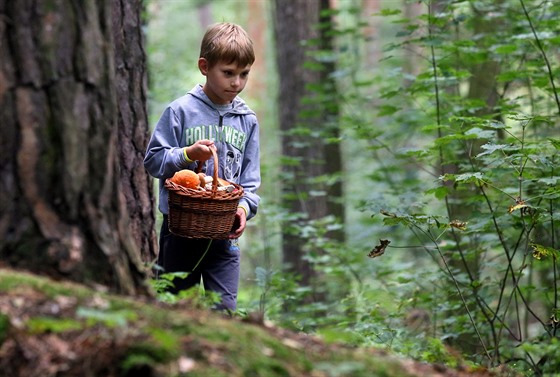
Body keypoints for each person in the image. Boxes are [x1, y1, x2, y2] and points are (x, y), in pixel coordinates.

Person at [144, 22, 261, 312]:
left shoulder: (247, 120)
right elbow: (153, 160)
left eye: (243, 74)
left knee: (223, 309)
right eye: (228, 73)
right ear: (205, 66)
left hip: (224, 236)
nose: (236, 83)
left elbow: (250, 181)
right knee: (174, 306)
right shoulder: (180, 111)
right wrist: (186, 155)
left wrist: (243, 209)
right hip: (180, 231)